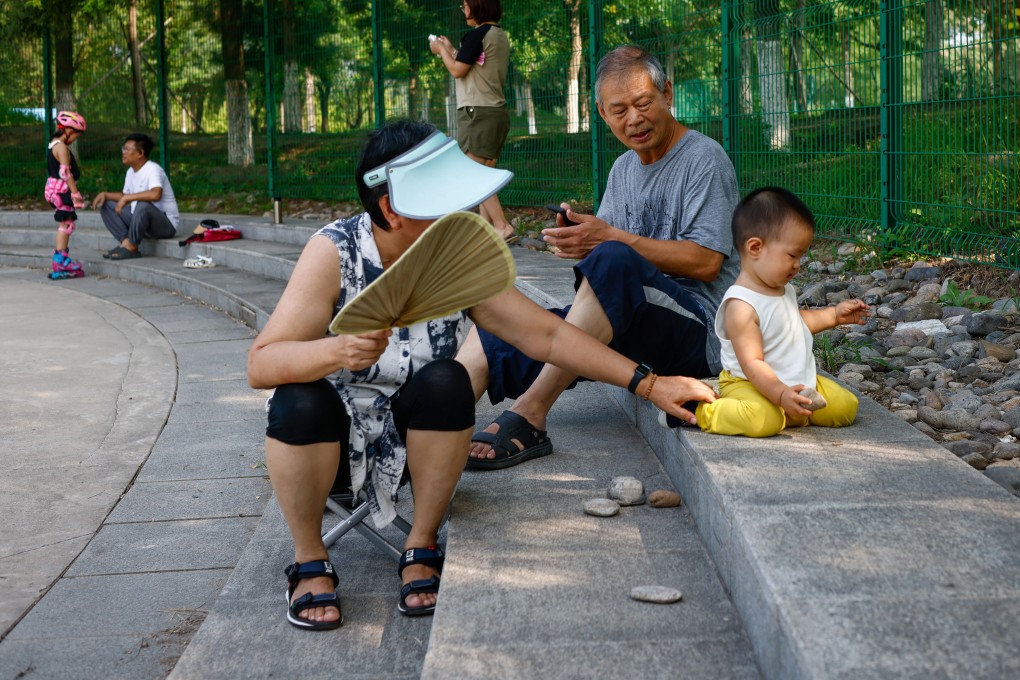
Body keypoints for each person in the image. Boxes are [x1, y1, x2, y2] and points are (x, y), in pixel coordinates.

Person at [246, 119, 715, 631]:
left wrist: (650, 384)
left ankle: (421, 543)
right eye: (446, 202)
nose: (464, 213)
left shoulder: (454, 260)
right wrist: (336, 350)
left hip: (411, 451)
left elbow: (549, 336)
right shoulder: (334, 251)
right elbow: (262, 364)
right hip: (326, 453)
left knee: (447, 380)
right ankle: (310, 557)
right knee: (298, 397)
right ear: (391, 210)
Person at [459, 44, 740, 470]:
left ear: (667, 93)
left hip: (699, 329)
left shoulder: (703, 158)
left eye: (643, 103)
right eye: (619, 110)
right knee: (495, 334)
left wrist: (607, 239)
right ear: (601, 113)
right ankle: (428, 442)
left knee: (611, 258)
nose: (634, 119)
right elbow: (607, 269)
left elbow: (706, 263)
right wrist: (582, 241)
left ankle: (531, 412)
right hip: (634, 319)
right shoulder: (623, 170)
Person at [693, 187, 869, 437]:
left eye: (801, 256)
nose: (798, 265)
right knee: (762, 420)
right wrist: (781, 393)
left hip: (794, 380)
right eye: (792, 255)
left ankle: (789, 412)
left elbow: (794, 323)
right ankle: (700, 410)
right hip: (749, 384)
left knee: (845, 406)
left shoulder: (782, 289)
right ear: (755, 248)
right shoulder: (741, 306)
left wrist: (834, 316)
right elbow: (752, 363)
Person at [429, 0, 514, 242]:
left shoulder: (477, 35)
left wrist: (441, 51)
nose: (464, 11)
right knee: (485, 174)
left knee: (473, 174)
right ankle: (488, 230)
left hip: (477, 112)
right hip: (496, 112)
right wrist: (451, 49)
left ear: (477, 7)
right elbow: (474, 64)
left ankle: (502, 226)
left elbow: (457, 70)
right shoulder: (498, 35)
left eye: (465, 6)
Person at [91, 133, 179, 260]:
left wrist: (127, 198)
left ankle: (132, 246)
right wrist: (105, 194)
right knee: (107, 205)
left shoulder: (153, 169)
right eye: (123, 149)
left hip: (165, 225)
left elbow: (156, 194)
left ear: (140, 153)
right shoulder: (130, 172)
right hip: (142, 221)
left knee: (142, 204)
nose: (123, 152)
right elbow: (125, 195)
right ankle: (126, 242)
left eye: (127, 149)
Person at [44, 111, 88, 280]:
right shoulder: (61, 147)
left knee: (65, 223)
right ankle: (60, 261)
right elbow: (65, 173)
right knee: (66, 224)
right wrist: (75, 193)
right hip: (61, 191)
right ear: (69, 130)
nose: (76, 138)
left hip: (54, 189)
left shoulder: (53, 144)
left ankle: (61, 260)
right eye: (77, 134)